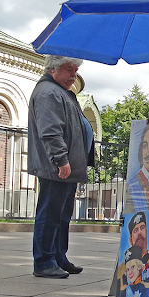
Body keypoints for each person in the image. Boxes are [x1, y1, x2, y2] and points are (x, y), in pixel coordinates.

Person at [28, 55, 94, 279]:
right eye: (69, 69)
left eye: (75, 70)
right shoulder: (49, 92)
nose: (73, 75)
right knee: (50, 214)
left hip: (66, 167)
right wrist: (61, 160)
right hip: (56, 167)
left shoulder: (60, 92)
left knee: (61, 215)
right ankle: (45, 262)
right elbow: (50, 131)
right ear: (53, 69)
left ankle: (58, 256)